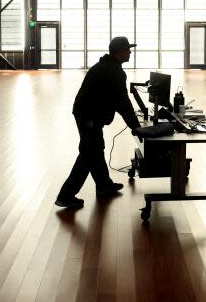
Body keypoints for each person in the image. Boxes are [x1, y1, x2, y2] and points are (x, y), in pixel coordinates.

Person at [55, 37, 142, 209]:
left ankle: (104, 185)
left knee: (96, 148)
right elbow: (123, 102)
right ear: (119, 52)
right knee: (88, 153)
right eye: (127, 49)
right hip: (89, 116)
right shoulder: (114, 71)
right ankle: (66, 195)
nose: (130, 52)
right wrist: (137, 127)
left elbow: (118, 101)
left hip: (86, 113)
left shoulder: (106, 66)